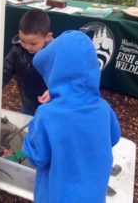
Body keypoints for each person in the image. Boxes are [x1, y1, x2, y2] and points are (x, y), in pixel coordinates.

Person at [23, 30, 121, 203]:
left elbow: (37, 157)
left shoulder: (47, 114)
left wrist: (30, 135)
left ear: (54, 71)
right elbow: (113, 137)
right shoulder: (103, 109)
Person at [0, 9, 53, 116]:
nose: (27, 46)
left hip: (52, 106)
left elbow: (66, 79)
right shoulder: (17, 51)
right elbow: (4, 73)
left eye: (33, 43)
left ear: (48, 37)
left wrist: (53, 90)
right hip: (28, 104)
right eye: (22, 41)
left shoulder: (55, 54)